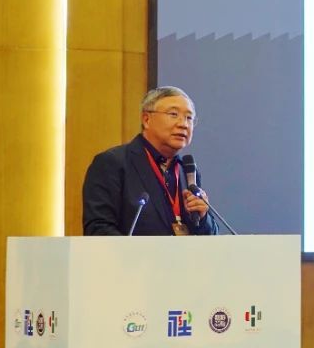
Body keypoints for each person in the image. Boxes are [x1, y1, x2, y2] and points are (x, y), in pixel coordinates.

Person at [82, 86, 218, 236]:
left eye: (189, 118)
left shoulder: (188, 171)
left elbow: (210, 237)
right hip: (136, 252)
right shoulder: (112, 163)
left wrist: (203, 217)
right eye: (173, 114)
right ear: (146, 119)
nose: (183, 124)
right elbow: (99, 229)